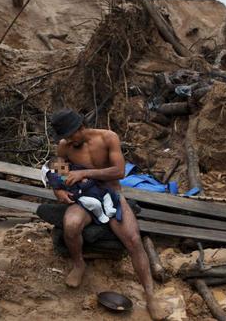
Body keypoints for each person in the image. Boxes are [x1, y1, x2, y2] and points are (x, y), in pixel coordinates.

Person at [50, 108, 169, 320]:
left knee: (133, 240)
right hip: (85, 196)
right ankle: (79, 264)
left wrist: (84, 172)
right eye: (65, 137)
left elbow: (119, 171)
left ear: (81, 127)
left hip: (111, 194)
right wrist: (58, 190)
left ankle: (150, 296)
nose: (68, 140)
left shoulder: (107, 138)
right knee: (70, 225)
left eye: (71, 135)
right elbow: (58, 168)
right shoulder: (64, 146)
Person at [43, 157, 119, 224]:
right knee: (95, 204)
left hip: (94, 189)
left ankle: (109, 209)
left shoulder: (74, 168)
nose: (62, 169)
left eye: (63, 166)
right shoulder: (61, 177)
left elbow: (84, 171)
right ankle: (101, 215)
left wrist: (83, 175)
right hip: (81, 194)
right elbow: (58, 181)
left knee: (106, 195)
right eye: (58, 169)